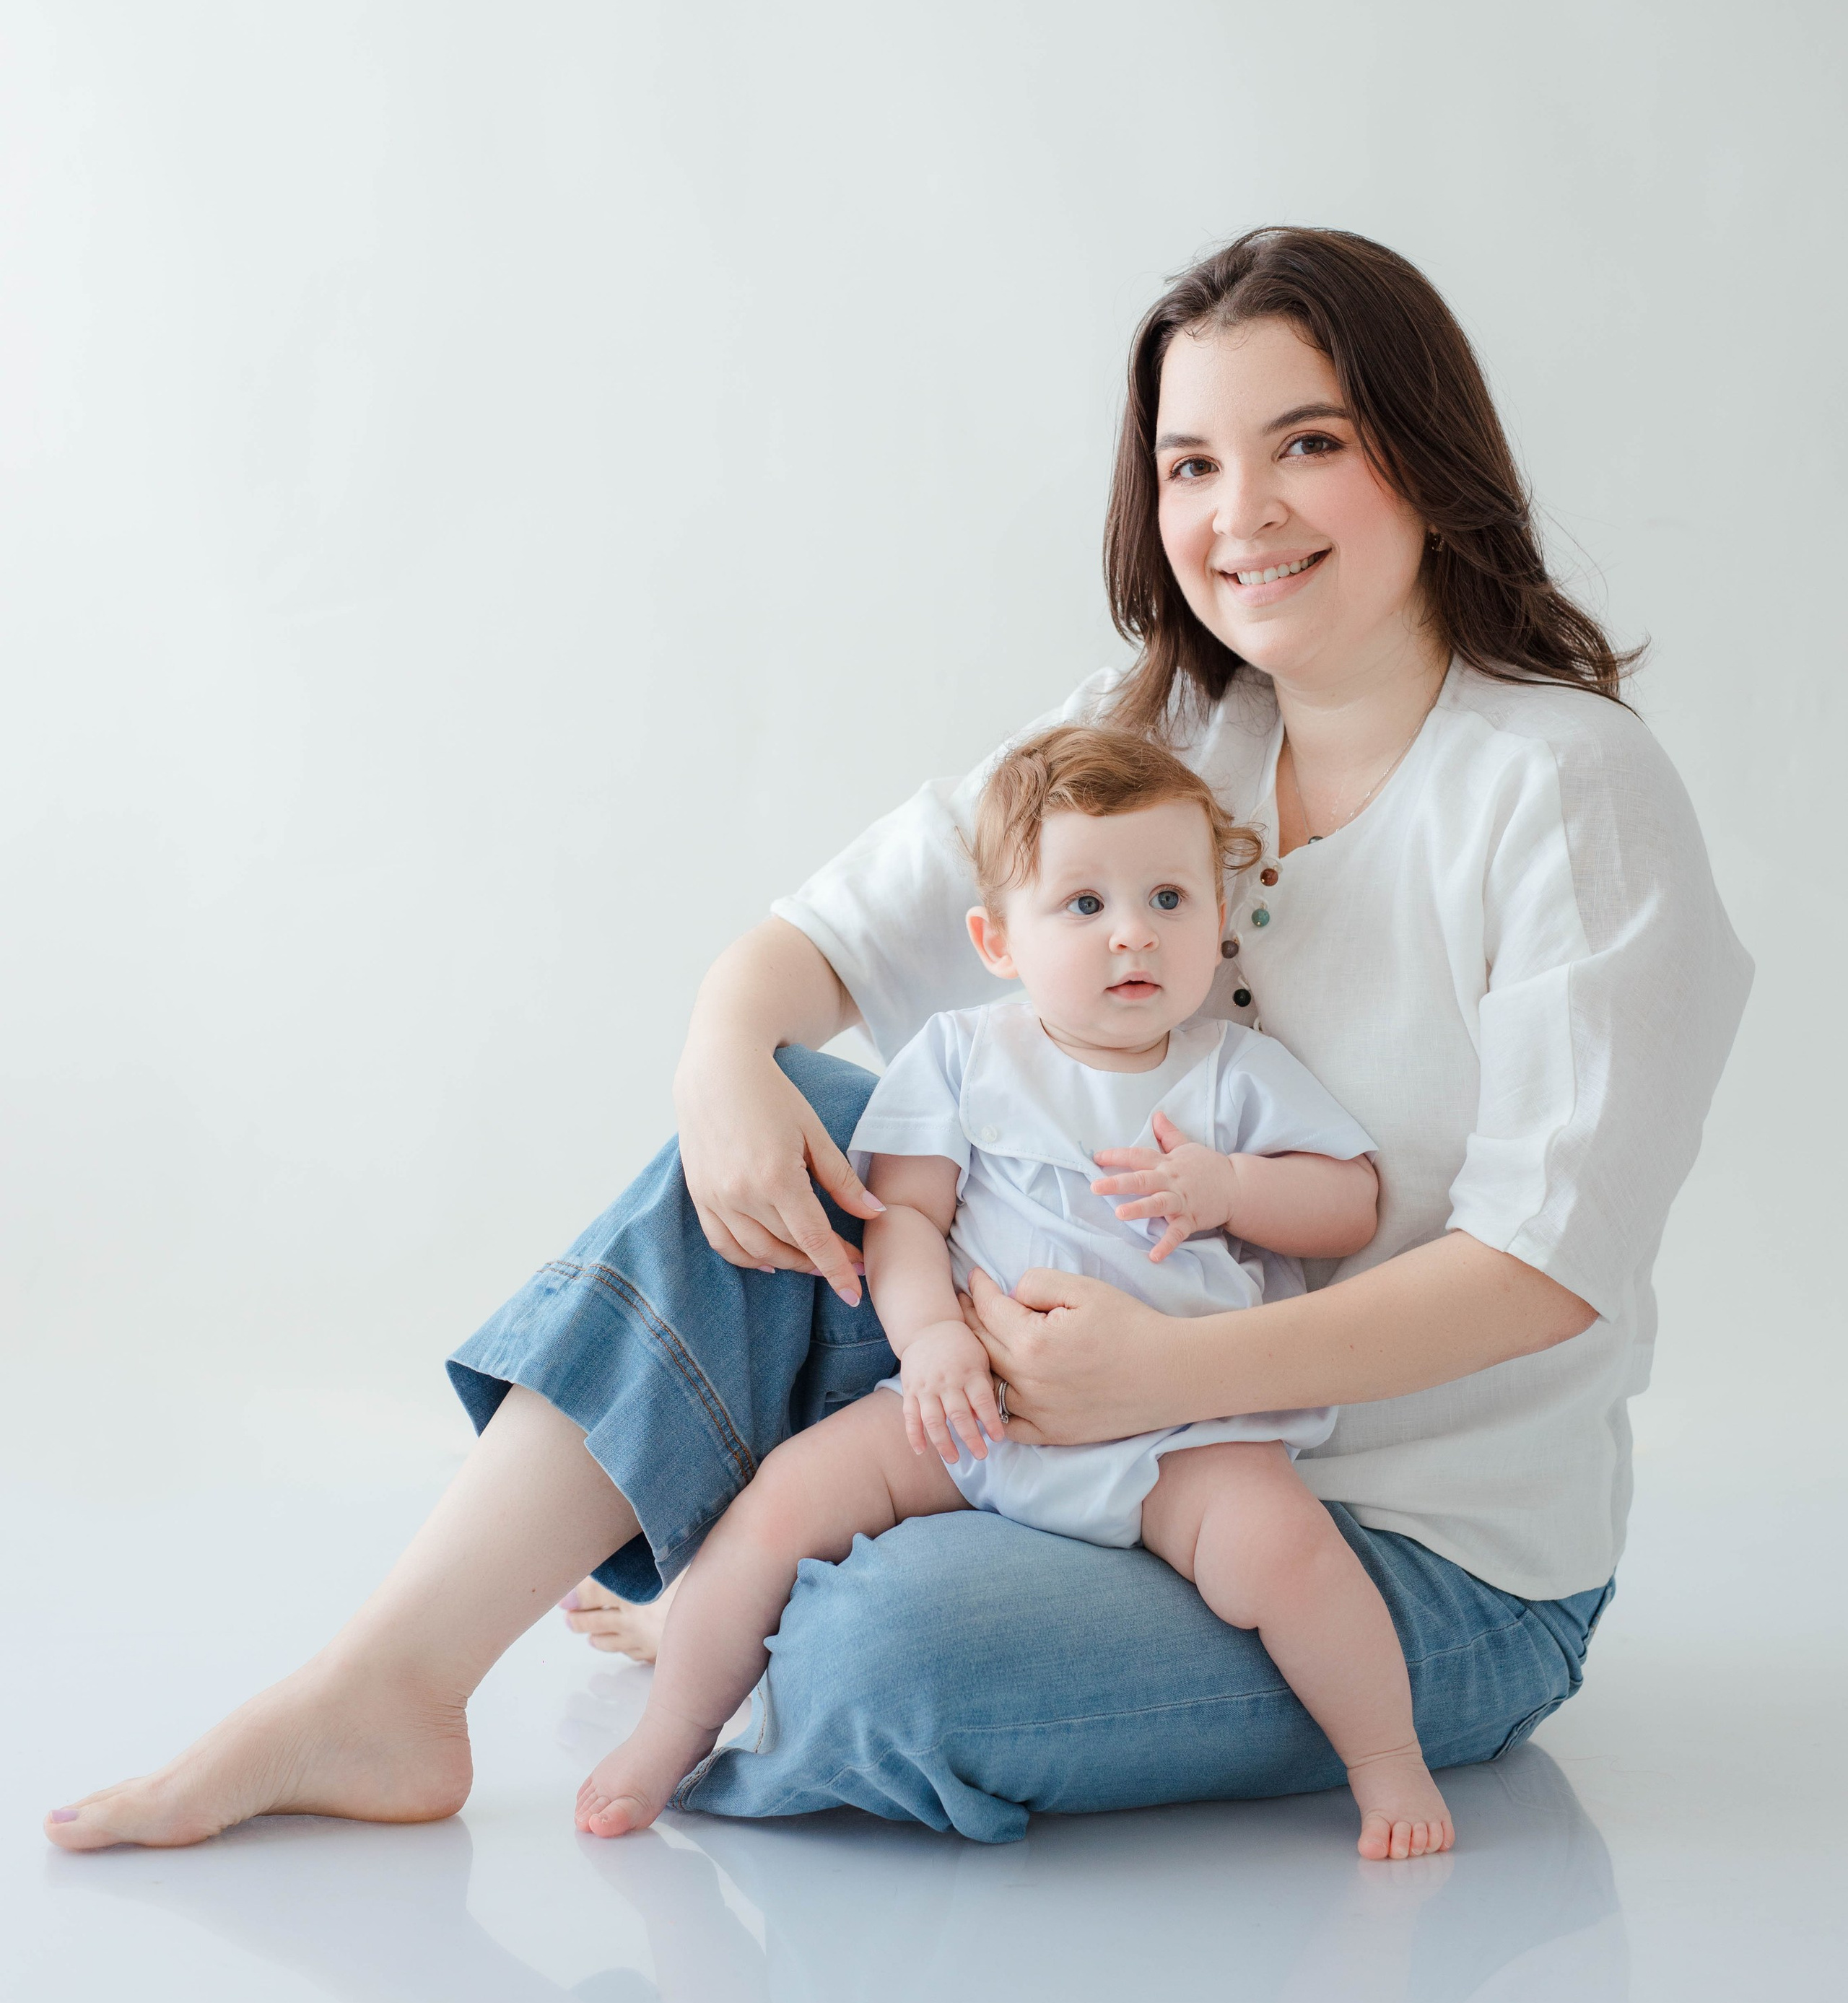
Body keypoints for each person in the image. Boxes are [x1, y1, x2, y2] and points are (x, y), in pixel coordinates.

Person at [44, 224, 1751, 1855]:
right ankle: (388, 1691)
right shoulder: (1157, 725)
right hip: (1053, 1413)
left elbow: (1545, 1265)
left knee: (897, 1673)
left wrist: (1167, 1378)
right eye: (1188, 465)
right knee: (798, 1102)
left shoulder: (1563, 792)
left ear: (1422, 454)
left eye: (1303, 442)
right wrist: (723, 1062)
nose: (1239, 516)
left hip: (1402, 1551)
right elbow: (817, 948)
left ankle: (751, 1601)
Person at [577, 725, 1455, 1859]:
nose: (1134, 930)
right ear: (998, 940)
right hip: (972, 1408)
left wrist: (1230, 1187)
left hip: (1179, 1434)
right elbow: (904, 1223)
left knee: (1288, 1557)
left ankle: (1387, 1765)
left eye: (1171, 899)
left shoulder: (1233, 1072)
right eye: (1084, 905)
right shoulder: (961, 1056)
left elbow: (1351, 1204)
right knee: (781, 1506)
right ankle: (672, 1733)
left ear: (1220, 921)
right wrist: (932, 1338)